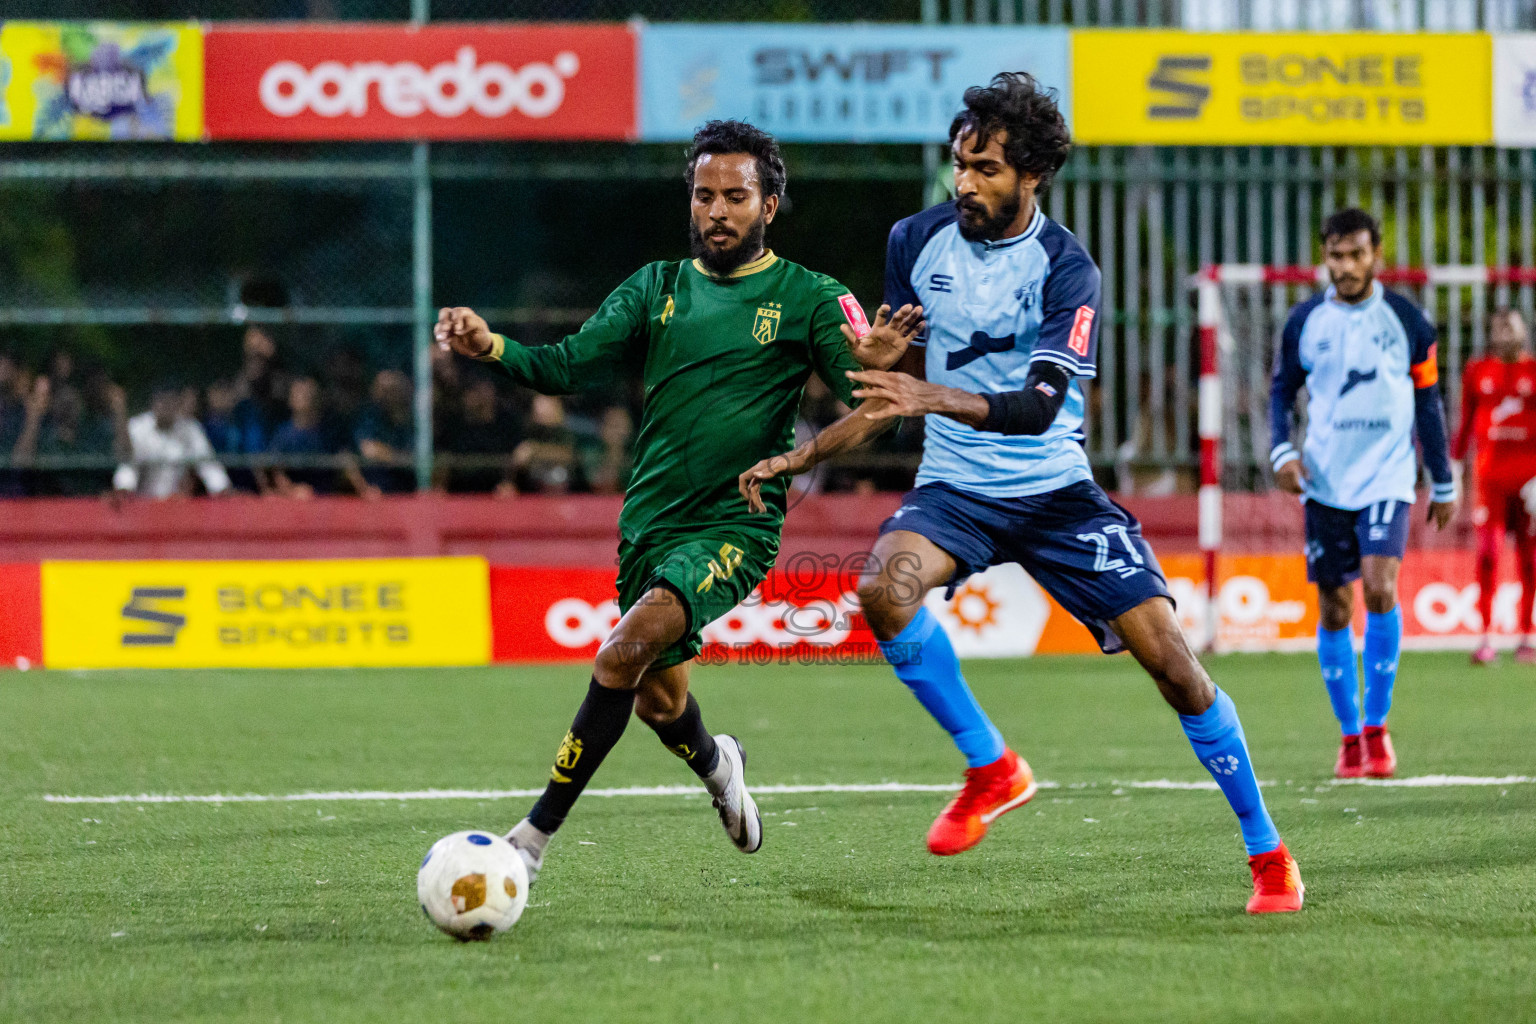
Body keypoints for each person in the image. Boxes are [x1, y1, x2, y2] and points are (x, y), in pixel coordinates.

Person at [739, 73, 1301, 914]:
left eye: (988, 169)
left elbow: (1039, 409)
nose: (967, 182)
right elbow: (894, 390)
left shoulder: (1068, 269)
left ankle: (1268, 853)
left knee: (1177, 670)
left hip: (1056, 495)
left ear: (1032, 175)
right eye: (961, 164)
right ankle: (992, 767)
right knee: (882, 592)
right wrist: (803, 454)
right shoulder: (914, 241)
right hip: (955, 488)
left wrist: (928, 395)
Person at [435, 119, 920, 885]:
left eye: (735, 195)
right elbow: (564, 367)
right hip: (649, 526)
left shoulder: (812, 297)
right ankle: (719, 764)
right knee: (661, 703)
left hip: (735, 523)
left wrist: (846, 408)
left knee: (619, 651)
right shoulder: (655, 287)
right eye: (704, 195)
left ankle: (531, 840)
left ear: (770, 204)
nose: (717, 210)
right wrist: (490, 345)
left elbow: (872, 405)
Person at [1268, 208, 1456, 779]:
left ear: (1376, 254)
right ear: (1324, 255)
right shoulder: (1304, 323)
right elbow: (1281, 392)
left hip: (1387, 476)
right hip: (1324, 481)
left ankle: (1377, 729)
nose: (1345, 266)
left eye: (1356, 254)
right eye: (1335, 255)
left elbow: (1428, 402)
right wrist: (1282, 451)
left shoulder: (1407, 321)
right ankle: (1349, 737)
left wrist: (1442, 478)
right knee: (1333, 605)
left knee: (1378, 589)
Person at [1455, 308, 1536, 664]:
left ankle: (1526, 636)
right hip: (1489, 482)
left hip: (1530, 483)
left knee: (1530, 559)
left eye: (1510, 326)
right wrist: (1455, 473)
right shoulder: (1478, 370)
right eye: (1498, 326)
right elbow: (1464, 424)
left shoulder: (1532, 370)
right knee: (1487, 555)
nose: (1504, 332)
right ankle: (1485, 637)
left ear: (1523, 331)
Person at [114, 383, 233, 498]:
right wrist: (124, 488)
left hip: (177, 504)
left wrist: (220, 488)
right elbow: (128, 463)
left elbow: (206, 462)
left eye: (170, 401)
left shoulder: (190, 429)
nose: (166, 406)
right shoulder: (137, 426)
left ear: (177, 403)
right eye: (162, 401)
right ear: (153, 402)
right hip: (142, 502)